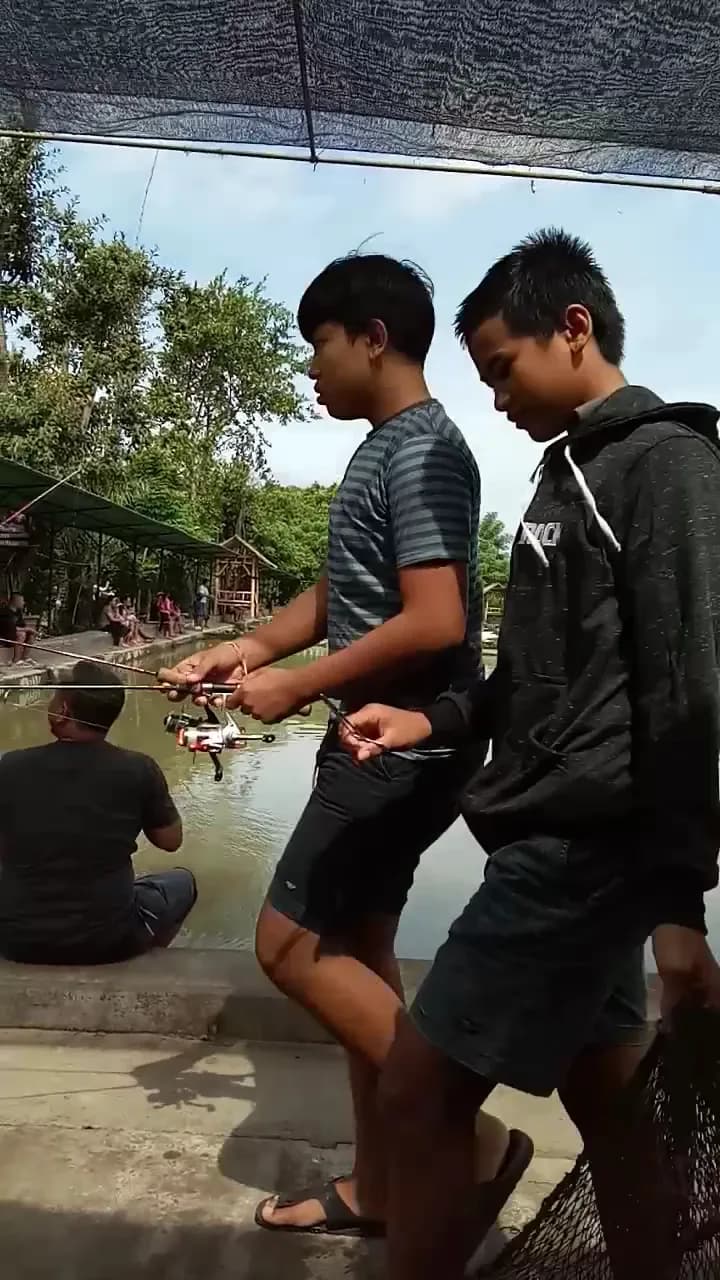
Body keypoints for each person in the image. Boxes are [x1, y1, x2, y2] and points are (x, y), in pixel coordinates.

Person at [338, 228, 720, 1280]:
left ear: (575, 327)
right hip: (562, 832)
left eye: (503, 368)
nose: (496, 397)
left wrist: (680, 914)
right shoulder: (567, 473)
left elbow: (690, 687)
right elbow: (540, 679)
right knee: (613, 1105)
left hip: (580, 846)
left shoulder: (666, 461)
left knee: (418, 1089)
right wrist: (432, 721)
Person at [159, 253, 530, 1251]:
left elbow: (436, 617)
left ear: (372, 336)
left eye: (318, 345)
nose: (310, 370)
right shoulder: (385, 448)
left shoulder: (420, 450)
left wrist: (299, 683)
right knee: (361, 952)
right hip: (376, 742)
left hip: (397, 749)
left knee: (287, 945)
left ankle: (474, 1132)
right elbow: (343, 590)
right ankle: (378, 1183)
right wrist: (251, 647)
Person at [0, 660, 197, 965]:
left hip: (15, 940)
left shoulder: (9, 766)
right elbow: (171, 840)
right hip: (109, 941)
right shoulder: (139, 768)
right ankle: (147, 958)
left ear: (63, 711)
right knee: (183, 882)